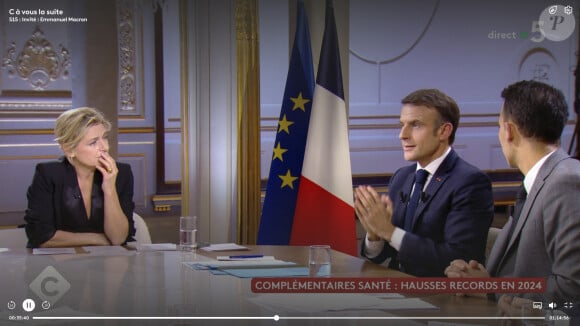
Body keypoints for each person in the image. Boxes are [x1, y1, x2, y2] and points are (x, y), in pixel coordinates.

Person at [444, 80, 580, 317]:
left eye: (498, 126)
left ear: (509, 131)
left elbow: (572, 291)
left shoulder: (565, 182)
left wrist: (496, 289)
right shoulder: (541, 180)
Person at [355, 89, 494, 277]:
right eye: (402, 125)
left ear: (444, 131)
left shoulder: (470, 182)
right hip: (398, 291)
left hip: (442, 298)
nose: (402, 135)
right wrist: (374, 235)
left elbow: (459, 260)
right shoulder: (401, 177)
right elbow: (384, 256)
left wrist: (389, 231)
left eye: (416, 125)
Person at [24, 107, 135, 248]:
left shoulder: (121, 174)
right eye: (93, 142)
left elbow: (118, 238)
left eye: (104, 138)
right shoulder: (48, 174)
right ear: (69, 149)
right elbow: (41, 236)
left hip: (107, 264)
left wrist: (109, 189)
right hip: (57, 265)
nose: (105, 147)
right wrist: (97, 238)